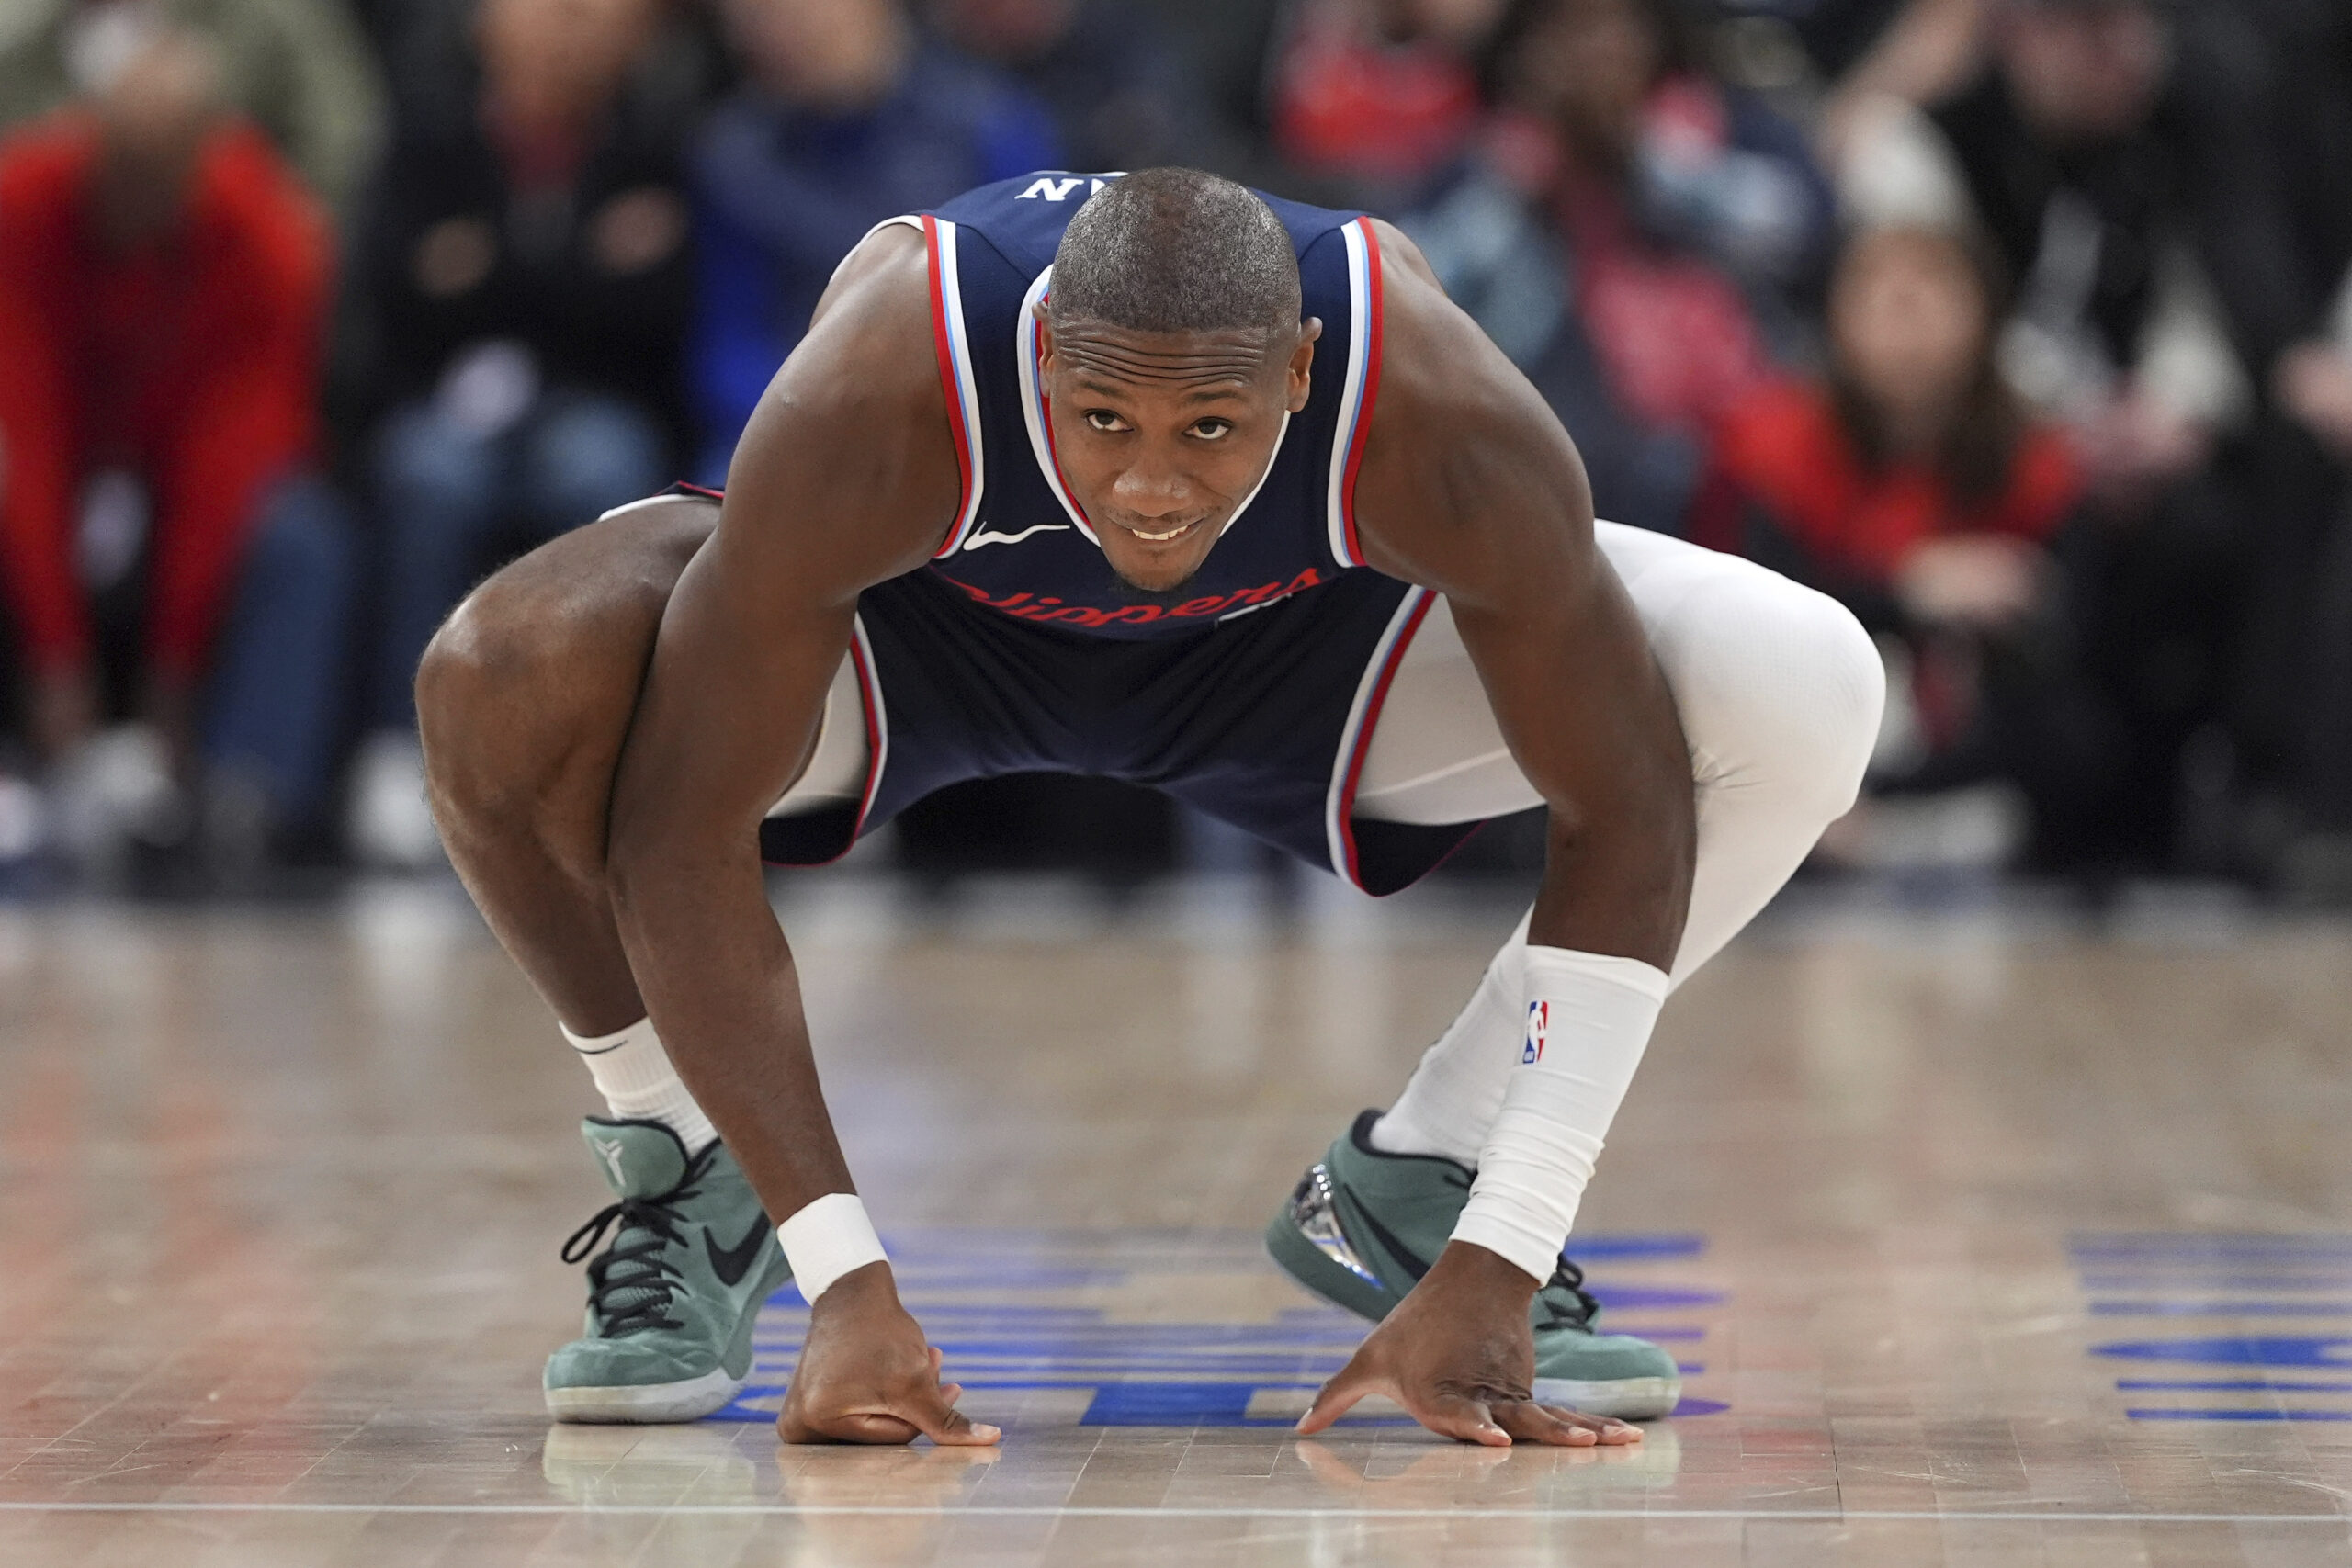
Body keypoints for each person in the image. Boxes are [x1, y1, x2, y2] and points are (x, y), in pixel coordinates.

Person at [414, 168, 1881, 1444]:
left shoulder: (1437, 405)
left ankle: (1434, 1169)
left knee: (1807, 681)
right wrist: (843, 1274)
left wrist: (1511, 1244)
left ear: (1305, 372)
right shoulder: (881, 381)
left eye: (1211, 427)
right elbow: (677, 835)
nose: (1153, 484)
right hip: (913, 638)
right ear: (1042, 352)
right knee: (499, 679)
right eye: (1103, 414)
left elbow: (1623, 807)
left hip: (1312, 646)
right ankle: (689, 1159)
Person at [341, 0, 696, 869]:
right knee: (430, 477)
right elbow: (393, 300)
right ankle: (407, 745)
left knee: (606, 473)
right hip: (444, 403)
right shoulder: (426, 140)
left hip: (595, 399)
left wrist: (487, 267)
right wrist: (576, 263)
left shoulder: (652, 145)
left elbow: (657, 313)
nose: (563, 30)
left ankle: (603, 751)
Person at [0, 28, 352, 880]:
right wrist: (56, 663)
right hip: (65, 472)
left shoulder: (269, 235)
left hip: (175, 496)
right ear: (87, 135)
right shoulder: (19, 206)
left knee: (300, 529)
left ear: (207, 153)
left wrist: (175, 674)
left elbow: (229, 454)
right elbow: (25, 427)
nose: (135, 199)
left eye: (160, 174)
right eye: (120, 165)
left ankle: (248, 795)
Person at [1693, 224, 2106, 866]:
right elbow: (1747, 631)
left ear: (1985, 314)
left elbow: (2075, 639)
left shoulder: (2037, 463)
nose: (1905, 311)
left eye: (1932, 286)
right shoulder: (1775, 447)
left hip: (1972, 765)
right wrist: (1906, 590)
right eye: (1878, 290)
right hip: (1808, 750)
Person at [1402, 0, 1833, 536]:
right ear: (1527, 55)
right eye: (1568, 32)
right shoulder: (1482, 161)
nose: (1592, 52)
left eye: (1612, 26)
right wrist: (1521, 187)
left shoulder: (1720, 123)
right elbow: (1410, 289)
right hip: (1547, 436)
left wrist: (1640, 159)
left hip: (1727, 428)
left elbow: (1802, 231)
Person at [687, 0, 1062, 480]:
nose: (784, 27)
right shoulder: (733, 157)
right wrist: (806, 413)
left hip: (967, 404)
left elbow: (1039, 304)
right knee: (717, 492)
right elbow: (731, 337)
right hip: (800, 411)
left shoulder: (990, 124)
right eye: (757, 13)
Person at [0, 0, 385, 217]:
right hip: (63, 309)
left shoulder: (265, 15)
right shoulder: (19, 59)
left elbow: (342, 134)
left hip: (245, 280)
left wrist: (284, 233)